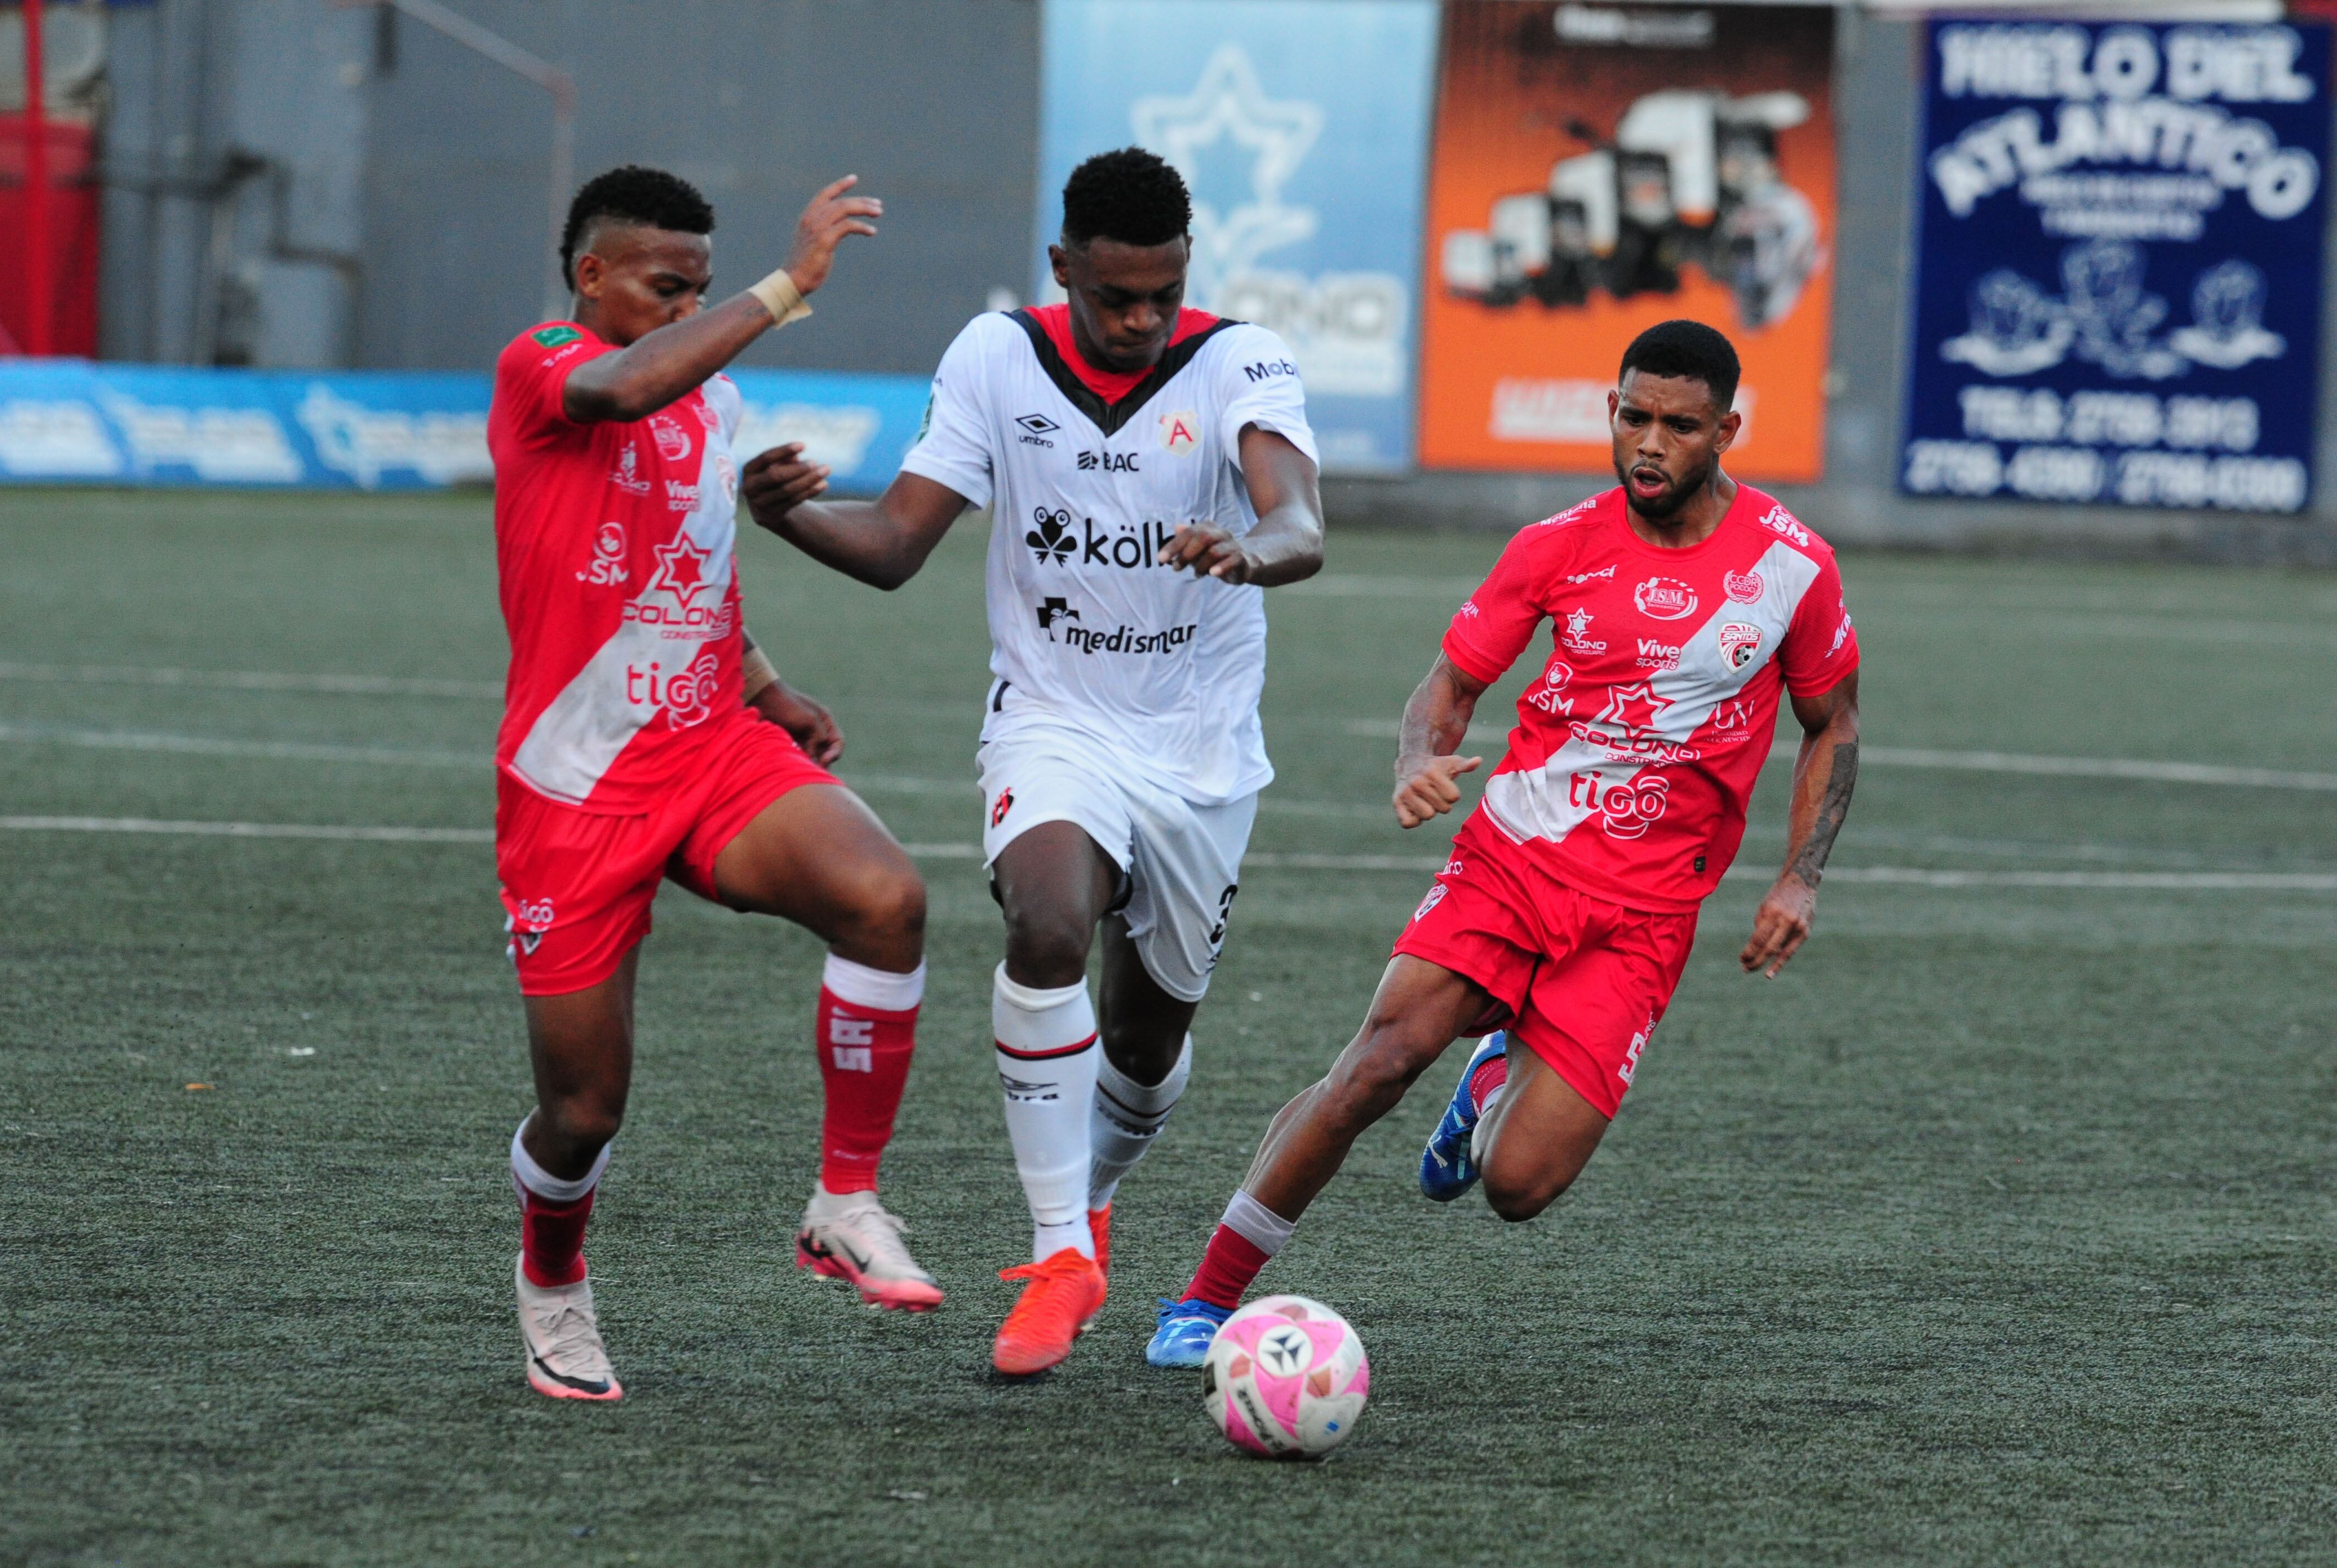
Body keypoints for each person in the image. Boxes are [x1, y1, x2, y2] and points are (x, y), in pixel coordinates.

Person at [1146, 319, 1861, 1365]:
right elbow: (1450, 684)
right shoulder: (1556, 545)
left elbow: (1832, 723)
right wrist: (1415, 761)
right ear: (1611, 411)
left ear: (1726, 432)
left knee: (1519, 1187)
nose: (1649, 443)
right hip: (1515, 861)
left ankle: (1492, 1073)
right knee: (1377, 1065)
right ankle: (1202, 1303)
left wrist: (1800, 880)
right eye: (1633, 417)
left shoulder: (1793, 565)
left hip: (1646, 915)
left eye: (1678, 426)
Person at [743, 148, 1325, 1376]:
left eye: (1163, 293)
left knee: (1145, 1053)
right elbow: (896, 544)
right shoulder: (996, 356)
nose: (1142, 319)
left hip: (1200, 755)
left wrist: (1250, 551)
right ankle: (1062, 1254)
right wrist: (785, 515)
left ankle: (1091, 1200)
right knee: (1047, 923)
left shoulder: (1240, 359)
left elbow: (1299, 521)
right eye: (1116, 296)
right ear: (1061, 268)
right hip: (1052, 723)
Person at [491, 165, 943, 1404]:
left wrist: (767, 685)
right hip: (577, 785)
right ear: (591, 277)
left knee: (886, 901)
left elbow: (686, 564)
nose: (687, 309)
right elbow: (620, 386)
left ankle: (844, 1201)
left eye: (700, 288)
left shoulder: (712, 398)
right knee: (584, 1113)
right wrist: (787, 283)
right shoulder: (544, 364)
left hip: (708, 747)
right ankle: (554, 1280)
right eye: (665, 287)